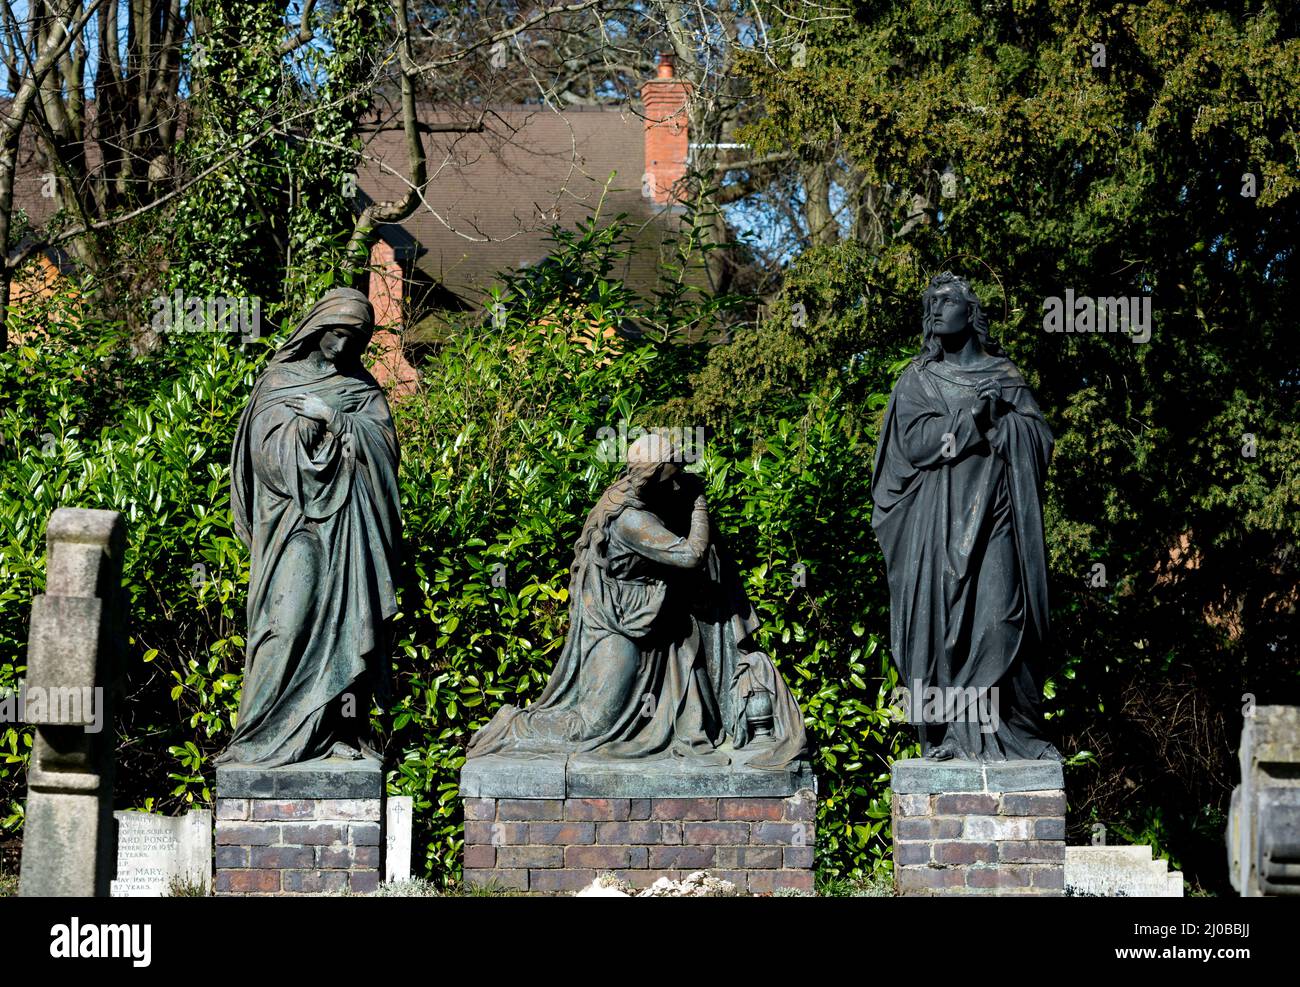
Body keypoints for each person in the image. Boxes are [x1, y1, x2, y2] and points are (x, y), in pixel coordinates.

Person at [467, 433, 807, 770]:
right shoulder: (630, 519)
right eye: (671, 480)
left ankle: (687, 725)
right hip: (618, 623)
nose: (677, 488)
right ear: (652, 478)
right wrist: (699, 504)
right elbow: (690, 556)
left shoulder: (633, 493)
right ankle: (510, 726)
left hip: (648, 614)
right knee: (591, 727)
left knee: (667, 681)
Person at [871, 272, 1062, 761]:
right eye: (929, 303)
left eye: (946, 301)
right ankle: (956, 736)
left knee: (1000, 619)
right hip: (938, 527)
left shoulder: (1004, 374)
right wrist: (974, 419)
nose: (935, 310)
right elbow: (913, 444)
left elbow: (1039, 441)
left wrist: (1009, 425)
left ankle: (1011, 736)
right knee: (946, 633)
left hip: (996, 515)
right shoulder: (918, 379)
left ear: (970, 311)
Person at [217, 288, 401, 767]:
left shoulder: (362, 392)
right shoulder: (279, 381)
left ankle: (334, 731)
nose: (342, 348)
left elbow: (383, 456)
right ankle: (257, 737)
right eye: (336, 335)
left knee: (346, 627)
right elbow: (264, 457)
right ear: (317, 328)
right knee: (285, 622)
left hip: (347, 531)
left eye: (353, 340)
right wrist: (304, 434)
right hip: (292, 525)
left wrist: (334, 419)